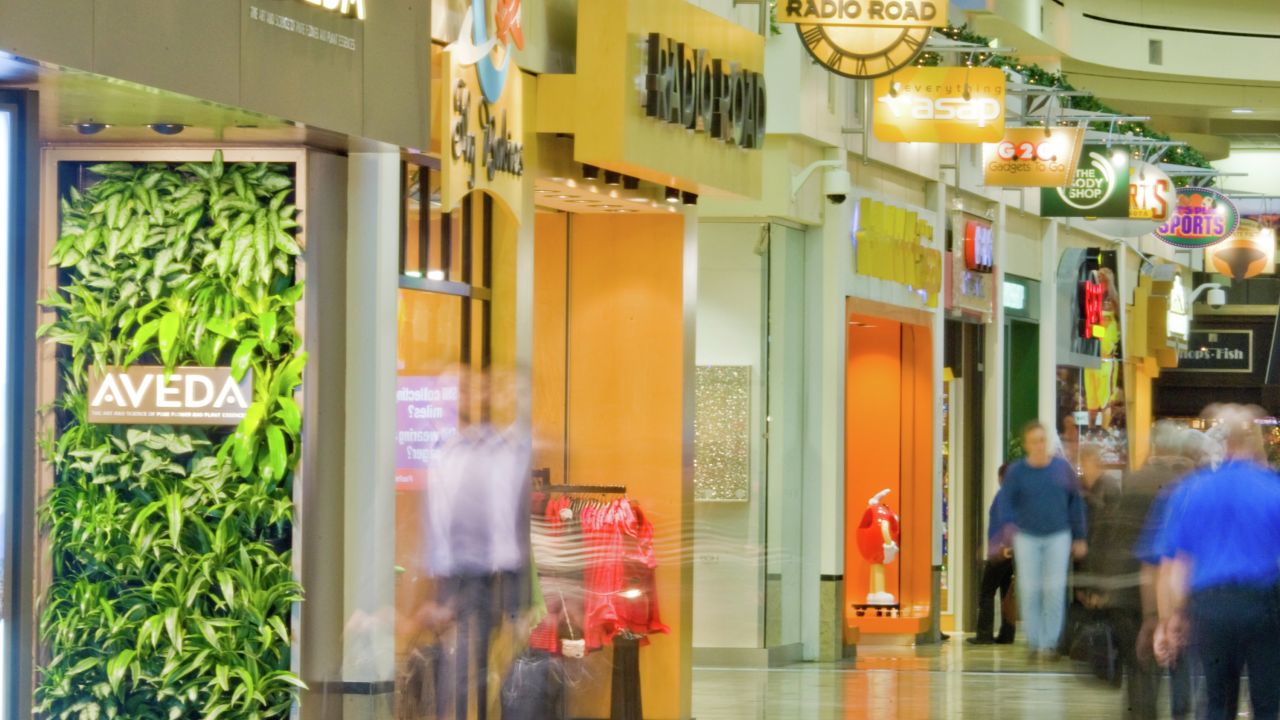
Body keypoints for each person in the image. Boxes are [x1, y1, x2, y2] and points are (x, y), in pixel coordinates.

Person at [1154, 405, 1280, 720]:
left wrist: (1173, 618)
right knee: (1267, 702)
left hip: (1210, 609)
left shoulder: (1191, 491)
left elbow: (1177, 565)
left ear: (1220, 445)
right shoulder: (1272, 489)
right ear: (1253, 444)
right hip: (1264, 606)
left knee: (1216, 702)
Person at [1092, 422, 1196, 720]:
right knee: (1177, 659)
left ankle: (1141, 714)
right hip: (1167, 587)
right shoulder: (1185, 483)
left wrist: (1099, 582)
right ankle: (1179, 712)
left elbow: (1108, 532)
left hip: (1125, 587)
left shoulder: (1135, 479)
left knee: (1138, 667)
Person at [999, 421, 1088, 659]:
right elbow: (1006, 504)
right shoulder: (1017, 472)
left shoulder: (1062, 469)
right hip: (1026, 537)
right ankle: (1034, 641)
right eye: (1034, 441)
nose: (1039, 445)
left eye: (1042, 440)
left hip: (1058, 535)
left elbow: (1075, 503)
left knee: (1054, 590)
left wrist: (1079, 536)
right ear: (1027, 445)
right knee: (1029, 590)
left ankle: (1049, 644)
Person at [968, 464, 1016, 646]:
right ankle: (1007, 633)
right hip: (1010, 552)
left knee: (987, 592)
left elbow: (1004, 523)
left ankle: (984, 634)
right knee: (1006, 593)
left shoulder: (1004, 496)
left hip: (1000, 552)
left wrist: (997, 547)